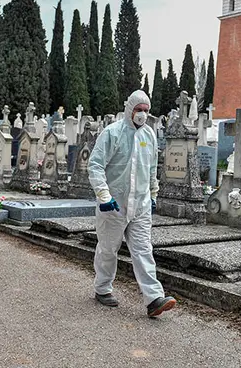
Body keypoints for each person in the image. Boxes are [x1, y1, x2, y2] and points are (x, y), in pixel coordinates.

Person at [88, 90, 177, 318]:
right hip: (114, 205)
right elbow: (96, 166)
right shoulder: (112, 133)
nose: (143, 115)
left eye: (146, 111)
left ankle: (154, 299)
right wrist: (104, 196)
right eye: (139, 110)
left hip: (140, 205)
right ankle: (102, 289)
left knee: (143, 250)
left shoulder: (149, 134)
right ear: (130, 110)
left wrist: (153, 195)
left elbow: (151, 169)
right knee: (108, 249)